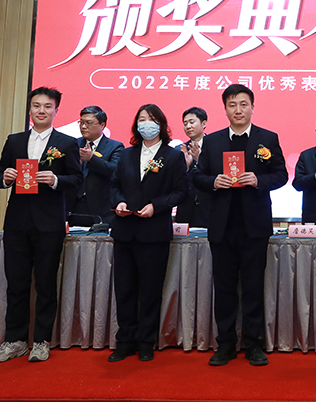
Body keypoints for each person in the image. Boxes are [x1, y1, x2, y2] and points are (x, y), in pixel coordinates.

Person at [194, 85, 288, 367]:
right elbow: (197, 177)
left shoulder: (267, 138)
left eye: (243, 104)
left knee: (253, 287)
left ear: (252, 107)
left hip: (254, 226)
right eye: (232, 104)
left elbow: (281, 175)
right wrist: (213, 182)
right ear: (225, 109)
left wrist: (259, 181)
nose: (238, 110)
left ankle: (253, 344)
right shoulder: (212, 141)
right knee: (223, 288)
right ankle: (225, 344)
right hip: (222, 227)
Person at [0, 87, 82, 363]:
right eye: (36, 106)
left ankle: (41, 340)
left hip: (49, 223)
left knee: (45, 283)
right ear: (30, 109)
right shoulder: (15, 140)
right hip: (17, 222)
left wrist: (55, 180)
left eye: (47, 106)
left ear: (56, 110)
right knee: (16, 283)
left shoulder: (66, 143)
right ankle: (15, 340)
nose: (41, 111)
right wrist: (5, 177)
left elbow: (77, 179)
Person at [108, 104, 189, 362]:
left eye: (152, 119)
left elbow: (181, 191)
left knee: (150, 291)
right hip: (125, 231)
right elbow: (114, 186)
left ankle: (146, 341)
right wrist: (119, 202)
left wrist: (157, 206)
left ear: (162, 125)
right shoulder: (126, 154)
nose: (146, 124)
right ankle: (124, 341)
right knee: (124, 290)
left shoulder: (173, 156)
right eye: (142, 119)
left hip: (154, 233)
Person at [67, 105, 124, 227]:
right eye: (81, 123)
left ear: (102, 125)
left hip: (100, 209)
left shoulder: (115, 146)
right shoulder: (73, 144)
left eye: (89, 123)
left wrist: (91, 159)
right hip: (74, 207)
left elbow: (114, 170)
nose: (83, 127)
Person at [175, 107, 211, 228]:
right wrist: (185, 167)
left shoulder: (215, 146)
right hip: (185, 210)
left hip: (210, 209)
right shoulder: (179, 150)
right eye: (185, 123)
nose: (188, 126)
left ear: (204, 123)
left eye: (192, 122)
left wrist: (200, 161)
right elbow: (174, 182)